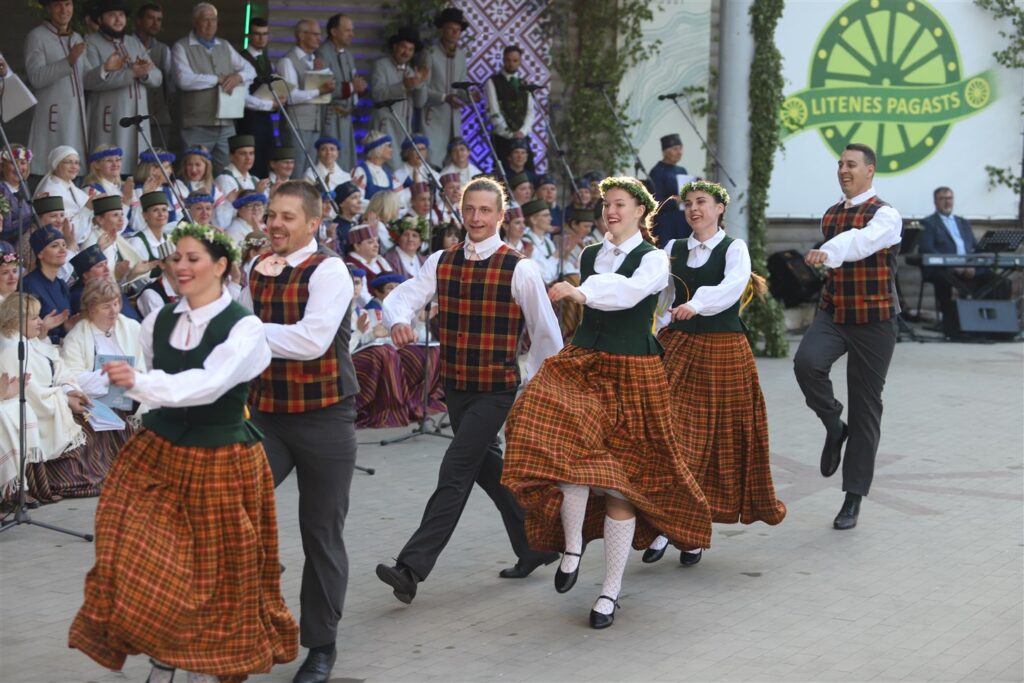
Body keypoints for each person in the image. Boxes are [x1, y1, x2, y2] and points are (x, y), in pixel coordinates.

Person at [68, 222, 299, 683]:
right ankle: (164, 652)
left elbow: (209, 383)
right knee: (141, 552)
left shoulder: (245, 327)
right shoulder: (158, 321)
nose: (181, 266)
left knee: (215, 568)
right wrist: (140, 389)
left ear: (220, 265)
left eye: (194, 259)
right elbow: (159, 380)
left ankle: (200, 663)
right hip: (160, 453)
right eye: (177, 258)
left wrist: (140, 383)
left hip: (221, 456)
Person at [501, 176, 712, 629]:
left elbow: (629, 293)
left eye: (619, 204)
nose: (610, 212)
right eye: (606, 205)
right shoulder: (590, 253)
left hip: (634, 373)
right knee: (563, 447)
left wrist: (582, 292)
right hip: (585, 363)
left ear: (640, 212)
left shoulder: (654, 258)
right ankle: (572, 546)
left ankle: (609, 592)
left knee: (620, 485)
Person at [375, 176, 563, 605]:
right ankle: (535, 546)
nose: (476, 218)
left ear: (500, 215)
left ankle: (411, 568)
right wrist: (398, 320)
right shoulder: (441, 260)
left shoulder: (520, 268)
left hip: (496, 390)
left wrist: (539, 385)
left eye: (485, 210)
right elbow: (403, 297)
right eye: (470, 209)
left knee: (456, 470)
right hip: (456, 386)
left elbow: (545, 332)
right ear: (462, 212)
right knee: (486, 468)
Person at [239, 180, 357, 683]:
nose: (275, 224)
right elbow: (237, 333)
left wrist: (245, 332)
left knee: (321, 532)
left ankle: (321, 646)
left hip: (325, 416)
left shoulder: (330, 270)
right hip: (265, 414)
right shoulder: (256, 267)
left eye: (287, 217)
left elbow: (311, 341)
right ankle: (245, 619)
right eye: (271, 215)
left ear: (313, 223)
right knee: (231, 510)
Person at [642, 180, 786, 566]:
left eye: (701, 202)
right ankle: (666, 524)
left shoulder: (734, 249)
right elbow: (660, 296)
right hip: (680, 347)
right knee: (670, 437)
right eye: (688, 203)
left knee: (716, 444)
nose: (694, 209)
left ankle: (689, 532)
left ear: (720, 208)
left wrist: (698, 304)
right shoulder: (673, 249)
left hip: (723, 351)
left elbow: (731, 287)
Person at [794, 143, 902, 531]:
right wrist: (826, 252)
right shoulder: (831, 213)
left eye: (851, 164)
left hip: (875, 320)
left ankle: (852, 497)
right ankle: (833, 423)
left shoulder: (886, 215)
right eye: (840, 163)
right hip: (835, 312)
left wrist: (828, 250)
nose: (843, 169)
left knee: (865, 407)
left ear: (869, 170)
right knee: (806, 363)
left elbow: (862, 242)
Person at [0, 294, 93, 502]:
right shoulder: (12, 349)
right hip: (43, 413)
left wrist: (68, 390)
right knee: (89, 435)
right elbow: (34, 397)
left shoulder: (29, 341)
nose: (41, 322)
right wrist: (65, 399)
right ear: (17, 321)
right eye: (34, 318)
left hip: (57, 400)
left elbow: (57, 365)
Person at [172, 2, 256, 173]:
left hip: (226, 123)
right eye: (205, 19)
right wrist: (217, 79)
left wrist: (237, 77)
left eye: (214, 19)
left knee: (227, 172)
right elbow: (183, 80)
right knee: (193, 171)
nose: (210, 24)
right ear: (195, 22)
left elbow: (250, 70)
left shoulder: (224, 45)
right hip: (196, 124)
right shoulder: (181, 46)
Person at [83, 0, 162, 175]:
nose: (118, 19)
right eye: (111, 15)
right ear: (100, 19)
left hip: (137, 117)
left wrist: (143, 73)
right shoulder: (91, 42)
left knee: (138, 170)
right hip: (111, 118)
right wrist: (131, 73)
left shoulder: (133, 42)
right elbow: (89, 80)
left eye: (121, 15)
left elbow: (157, 77)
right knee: (110, 168)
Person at [25, 0, 90, 179]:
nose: (64, 10)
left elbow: (86, 77)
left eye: (68, 4)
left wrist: (107, 69)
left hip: (76, 118)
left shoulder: (77, 37)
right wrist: (68, 61)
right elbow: (36, 77)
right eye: (57, 5)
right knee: (50, 172)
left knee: (76, 174)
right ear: (48, 8)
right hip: (53, 119)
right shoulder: (37, 36)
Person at [918, 186, 995, 337]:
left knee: (996, 280)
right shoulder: (928, 223)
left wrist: (972, 266)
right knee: (945, 280)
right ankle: (950, 324)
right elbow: (927, 249)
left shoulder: (963, 223)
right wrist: (953, 265)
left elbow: (975, 248)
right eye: (943, 199)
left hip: (968, 266)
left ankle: (989, 322)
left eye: (950, 198)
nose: (947, 202)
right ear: (935, 202)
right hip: (944, 269)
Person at [277, 19, 335, 178]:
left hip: (315, 123)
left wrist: (319, 75)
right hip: (296, 124)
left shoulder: (314, 60)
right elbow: (290, 96)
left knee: (310, 172)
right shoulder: (287, 61)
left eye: (320, 34)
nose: (319, 38)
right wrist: (319, 90)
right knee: (296, 171)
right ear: (302, 36)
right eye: (315, 34)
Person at [318, 14, 368, 173]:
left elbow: (353, 80)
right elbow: (322, 87)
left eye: (352, 30)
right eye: (347, 30)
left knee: (347, 161)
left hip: (346, 117)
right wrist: (352, 87)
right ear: (333, 31)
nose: (352, 34)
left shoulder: (348, 55)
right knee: (331, 160)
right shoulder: (322, 53)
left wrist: (360, 87)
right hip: (329, 116)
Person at [423, 8, 471, 167]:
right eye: (451, 29)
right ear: (442, 29)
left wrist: (469, 96)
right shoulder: (429, 53)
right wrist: (444, 98)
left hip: (454, 120)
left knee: (453, 165)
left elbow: (460, 88)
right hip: (432, 118)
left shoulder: (461, 56)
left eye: (458, 30)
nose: (455, 33)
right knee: (432, 162)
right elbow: (421, 89)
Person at [370, 27, 429, 152]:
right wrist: (403, 86)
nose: (406, 52)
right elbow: (377, 95)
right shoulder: (381, 65)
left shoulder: (411, 71)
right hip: (386, 127)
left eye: (410, 50)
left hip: (406, 130)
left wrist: (421, 83)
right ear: (395, 46)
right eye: (403, 47)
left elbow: (420, 103)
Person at [237, 17, 280, 179]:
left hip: (265, 120)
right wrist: (270, 104)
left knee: (267, 160)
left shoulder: (265, 60)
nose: (262, 38)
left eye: (265, 34)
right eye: (257, 34)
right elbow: (242, 97)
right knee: (252, 163)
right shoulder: (241, 59)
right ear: (249, 36)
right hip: (248, 120)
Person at [135, 2, 177, 155]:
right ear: (139, 21)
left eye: (158, 19)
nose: (155, 23)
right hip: (133, 115)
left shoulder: (163, 50)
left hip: (158, 117)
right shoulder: (127, 45)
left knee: (159, 158)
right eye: (150, 18)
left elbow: (171, 84)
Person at [486, 46, 537, 172]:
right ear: (503, 60)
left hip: (522, 138)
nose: (511, 64)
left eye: (515, 60)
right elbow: (493, 110)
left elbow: (530, 111)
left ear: (520, 62)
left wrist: (522, 132)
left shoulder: (524, 84)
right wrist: (509, 133)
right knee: (503, 174)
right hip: (502, 138)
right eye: (508, 60)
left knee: (528, 173)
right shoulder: (492, 82)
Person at [33, 146, 94, 246]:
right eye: (69, 162)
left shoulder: (69, 185)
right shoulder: (51, 190)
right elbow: (65, 230)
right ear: (56, 164)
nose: (74, 166)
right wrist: (87, 209)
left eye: (76, 163)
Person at [22, 225, 73, 343]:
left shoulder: (62, 284)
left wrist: (68, 326)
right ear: (40, 254)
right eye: (55, 246)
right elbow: (27, 329)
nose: (62, 250)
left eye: (64, 245)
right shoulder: (28, 284)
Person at [648, 133, 692, 245]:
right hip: (666, 223)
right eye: (675, 149)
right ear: (665, 152)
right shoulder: (657, 171)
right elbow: (655, 202)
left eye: (680, 148)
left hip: (682, 221)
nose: (679, 152)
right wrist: (675, 201)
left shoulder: (682, 170)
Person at [175, 146, 234, 228]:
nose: (193, 169)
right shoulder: (179, 186)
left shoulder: (214, 189)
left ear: (206, 166)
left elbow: (221, 222)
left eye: (198, 165)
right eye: (189, 165)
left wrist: (228, 202)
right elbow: (177, 218)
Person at [344, 224, 393, 305]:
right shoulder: (351, 265)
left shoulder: (380, 260)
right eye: (370, 242)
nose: (376, 245)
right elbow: (363, 298)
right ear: (357, 246)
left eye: (377, 241)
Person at [351, 131, 399, 206]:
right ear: (378, 148)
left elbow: (400, 199)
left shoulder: (388, 174)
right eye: (389, 146)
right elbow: (357, 201)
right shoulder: (360, 171)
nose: (391, 150)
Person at [0, 146, 35, 244]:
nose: (18, 167)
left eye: (23, 163)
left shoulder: (24, 189)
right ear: (2, 167)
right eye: (13, 162)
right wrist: (34, 217)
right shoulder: (2, 191)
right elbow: (5, 232)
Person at [522, 199, 558, 284]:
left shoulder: (548, 242)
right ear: (533, 220)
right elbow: (543, 273)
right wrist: (554, 257)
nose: (550, 219)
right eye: (545, 215)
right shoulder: (526, 241)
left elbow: (553, 273)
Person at [385, 214, 428, 279]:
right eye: (406, 235)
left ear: (421, 241)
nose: (410, 239)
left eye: (414, 236)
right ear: (398, 238)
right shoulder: (390, 259)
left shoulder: (424, 261)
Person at [331, 181, 361, 253]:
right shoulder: (336, 228)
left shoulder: (356, 224)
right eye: (354, 198)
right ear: (341, 203)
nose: (359, 201)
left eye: (359, 197)